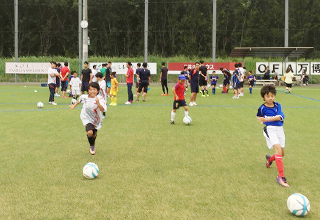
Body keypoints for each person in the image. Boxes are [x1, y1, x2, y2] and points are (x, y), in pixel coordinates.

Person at [256, 85, 289, 187]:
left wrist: (266, 120)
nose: (270, 98)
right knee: (278, 151)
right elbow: (258, 116)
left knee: (282, 153)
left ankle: (269, 160)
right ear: (264, 97)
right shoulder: (262, 108)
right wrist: (260, 120)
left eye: (272, 95)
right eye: (268, 96)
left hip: (280, 129)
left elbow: (279, 117)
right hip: (270, 130)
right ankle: (281, 176)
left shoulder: (278, 105)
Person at [69, 82, 107, 155]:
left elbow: (103, 110)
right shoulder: (84, 97)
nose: (92, 91)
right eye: (90, 89)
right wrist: (74, 106)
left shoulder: (100, 99)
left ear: (97, 91)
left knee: (94, 134)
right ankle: (92, 146)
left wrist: (98, 103)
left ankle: (92, 144)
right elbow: (79, 100)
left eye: (94, 89)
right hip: (86, 117)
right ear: (88, 90)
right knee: (90, 132)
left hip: (96, 119)